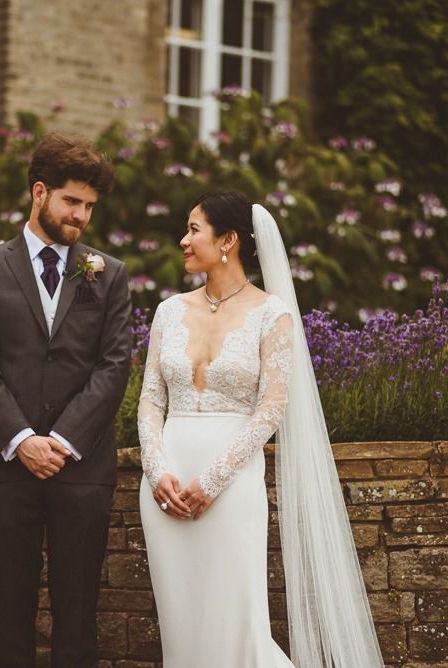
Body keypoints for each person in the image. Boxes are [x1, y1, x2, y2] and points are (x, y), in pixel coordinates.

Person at [138, 191, 383, 667]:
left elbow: (270, 409)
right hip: (165, 485)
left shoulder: (272, 314)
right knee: (180, 627)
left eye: (194, 230)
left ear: (228, 240)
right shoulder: (168, 312)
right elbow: (150, 400)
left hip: (229, 487)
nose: (182, 240)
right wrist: (155, 469)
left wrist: (212, 481)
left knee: (236, 621)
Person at [0, 133, 132, 668]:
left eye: (89, 206)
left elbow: (114, 365)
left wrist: (59, 441)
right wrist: (21, 440)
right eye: (71, 201)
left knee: (77, 617)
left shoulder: (110, 274)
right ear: (40, 192)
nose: (81, 216)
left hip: (81, 468)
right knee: (10, 615)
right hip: (5, 466)